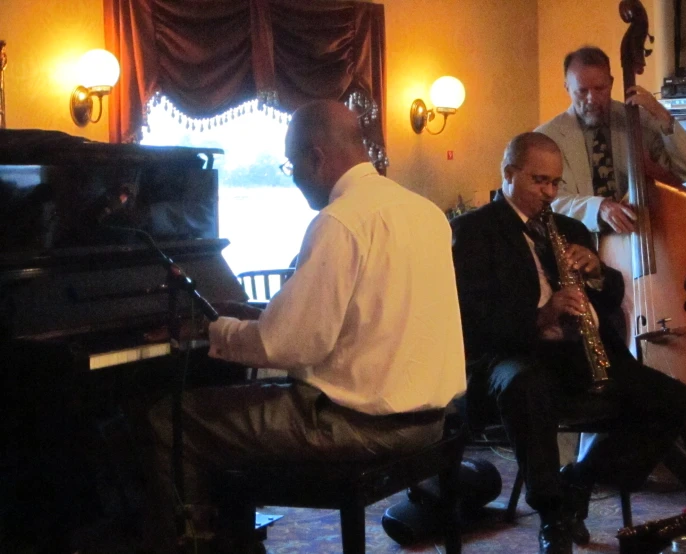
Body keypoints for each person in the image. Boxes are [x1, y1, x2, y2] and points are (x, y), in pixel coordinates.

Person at [136, 100, 467, 553]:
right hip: (430, 423)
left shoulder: (339, 220)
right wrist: (254, 314)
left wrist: (209, 330)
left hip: (357, 428)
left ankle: (197, 546)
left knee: (172, 417)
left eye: (292, 164)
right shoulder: (424, 211)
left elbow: (286, 345)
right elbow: (364, 318)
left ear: (316, 156)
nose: (292, 176)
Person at [450, 132, 686, 554]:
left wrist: (598, 270)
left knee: (674, 399)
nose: (548, 193)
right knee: (528, 387)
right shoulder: (473, 232)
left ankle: (579, 479)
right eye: (538, 181)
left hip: (579, 353)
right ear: (509, 175)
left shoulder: (569, 227)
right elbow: (472, 317)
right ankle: (552, 515)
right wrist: (542, 315)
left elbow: (613, 293)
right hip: (515, 353)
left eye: (555, 183)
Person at [536, 46, 686, 234]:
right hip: (579, 245)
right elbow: (548, 201)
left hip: (639, 239)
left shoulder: (638, 121)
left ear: (611, 83)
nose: (592, 99)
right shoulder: (547, 137)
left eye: (600, 89)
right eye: (582, 91)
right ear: (567, 87)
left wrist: (662, 115)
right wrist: (599, 208)